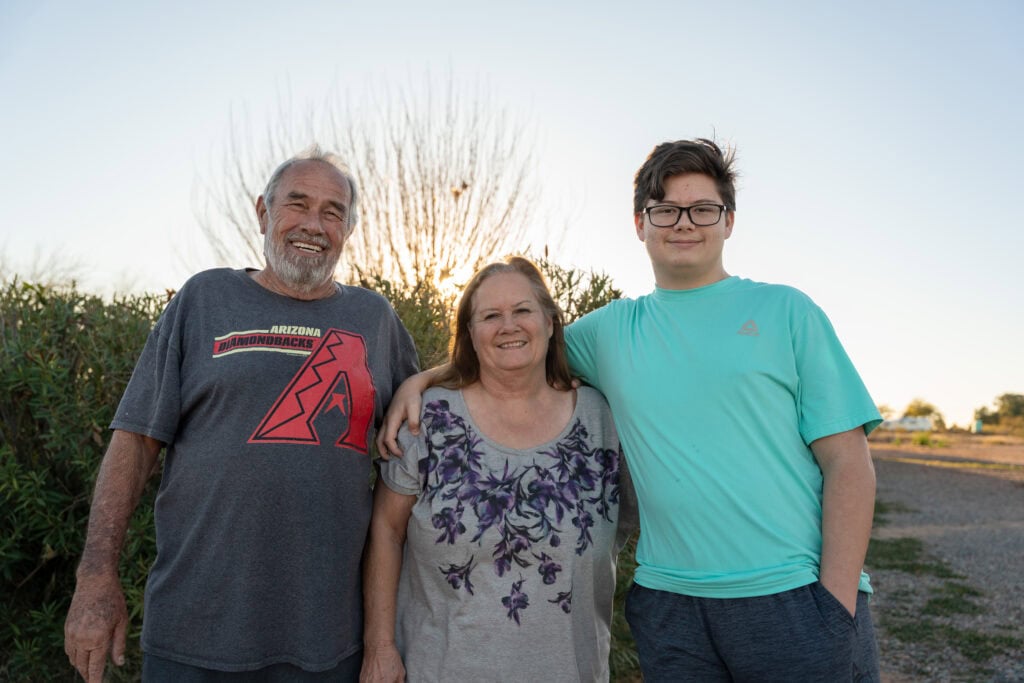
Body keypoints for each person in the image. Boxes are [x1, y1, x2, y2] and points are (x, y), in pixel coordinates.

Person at [379, 139, 882, 681]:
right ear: (640, 223)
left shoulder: (786, 311)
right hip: (671, 607)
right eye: (665, 210)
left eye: (702, 209)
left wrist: (835, 605)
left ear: (729, 220)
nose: (683, 223)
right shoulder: (611, 331)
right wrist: (425, 380)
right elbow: (515, 346)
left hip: (790, 595)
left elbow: (848, 462)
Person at [64, 146, 419, 682]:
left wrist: (428, 380)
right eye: (297, 204)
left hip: (328, 639)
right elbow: (135, 440)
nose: (314, 225)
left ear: (348, 229)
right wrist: (95, 578)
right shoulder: (204, 298)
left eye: (333, 212)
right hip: (194, 630)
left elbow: (421, 436)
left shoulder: (375, 318)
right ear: (262, 212)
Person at [360, 257, 635, 682]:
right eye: (490, 316)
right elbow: (386, 530)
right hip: (439, 671)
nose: (508, 325)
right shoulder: (427, 418)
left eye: (522, 310)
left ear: (550, 322)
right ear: (470, 333)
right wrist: (379, 648)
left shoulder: (603, 419)